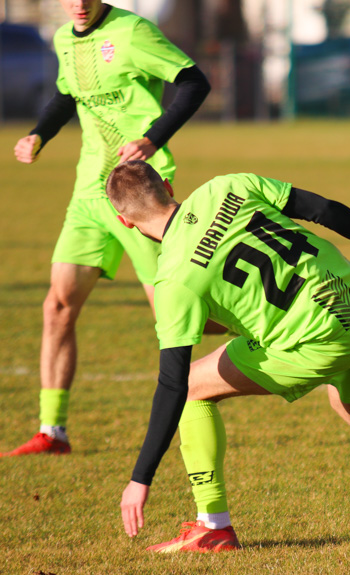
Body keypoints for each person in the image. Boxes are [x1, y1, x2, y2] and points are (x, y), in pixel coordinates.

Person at [109, 161, 350, 552]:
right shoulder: (227, 185)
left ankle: (212, 524)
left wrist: (141, 478)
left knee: (189, 389)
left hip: (322, 338)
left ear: (126, 222)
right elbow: (324, 210)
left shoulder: (171, 279)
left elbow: (171, 381)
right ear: (167, 185)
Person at [4, 0, 211, 457]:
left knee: (178, 312)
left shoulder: (133, 33)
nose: (78, 4)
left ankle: (261, 328)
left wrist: (153, 138)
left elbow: (196, 82)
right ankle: (52, 432)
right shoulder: (63, 39)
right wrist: (40, 133)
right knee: (57, 305)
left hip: (141, 192)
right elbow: (66, 95)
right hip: (89, 194)